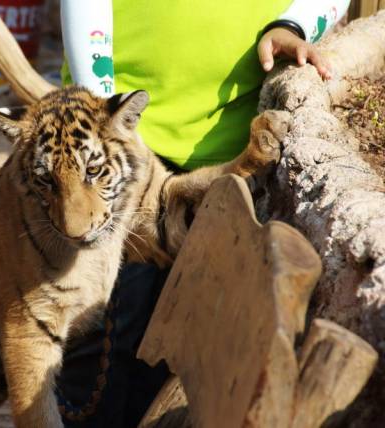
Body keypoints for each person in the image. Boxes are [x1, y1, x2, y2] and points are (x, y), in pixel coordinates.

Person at [55, 1, 350, 427]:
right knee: (99, 335)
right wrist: (104, 125)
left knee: (179, 340)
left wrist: (293, 23)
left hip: (231, 163)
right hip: (120, 146)